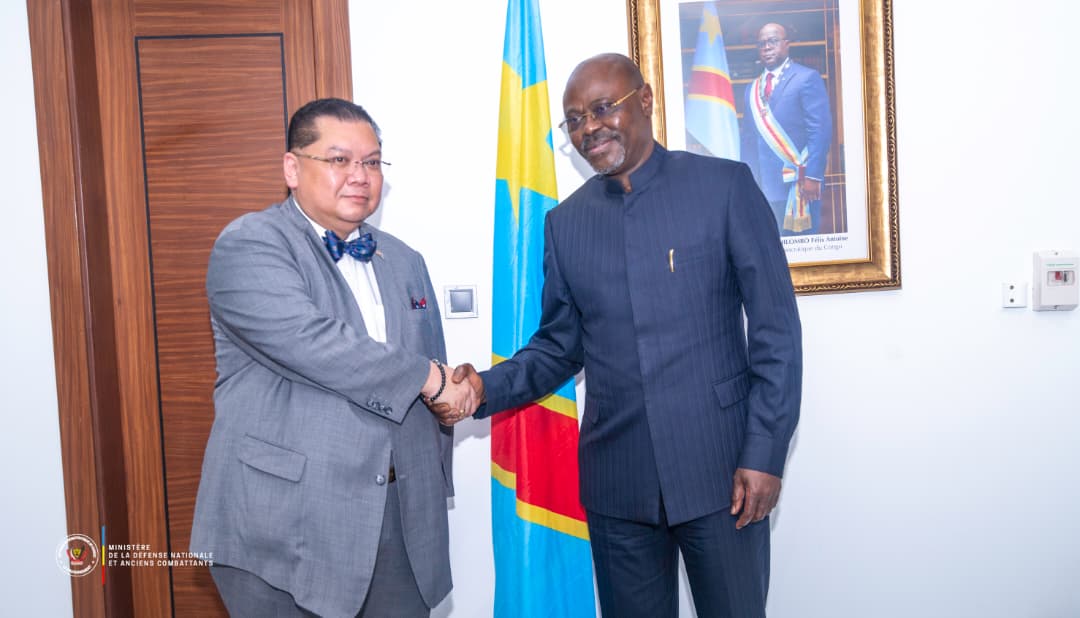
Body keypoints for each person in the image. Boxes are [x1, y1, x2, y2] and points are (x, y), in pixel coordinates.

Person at [438, 54, 802, 617]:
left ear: (645, 100)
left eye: (603, 108)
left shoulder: (723, 187)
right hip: (619, 486)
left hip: (724, 472)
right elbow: (559, 347)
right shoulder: (566, 223)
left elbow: (777, 335)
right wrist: (484, 387)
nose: (589, 127)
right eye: (575, 119)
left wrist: (765, 453)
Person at [190, 97, 474, 618]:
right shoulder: (250, 244)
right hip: (285, 524)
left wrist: (445, 417)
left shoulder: (405, 259)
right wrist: (430, 378)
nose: (359, 175)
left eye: (372, 162)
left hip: (401, 520)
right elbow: (313, 343)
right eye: (339, 159)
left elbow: (431, 365)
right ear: (292, 168)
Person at [741, 22, 833, 236]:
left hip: (800, 185)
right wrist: (747, 182)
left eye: (773, 41)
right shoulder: (751, 89)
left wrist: (813, 176)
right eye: (761, 43)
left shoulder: (807, 78)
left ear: (786, 44)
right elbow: (748, 140)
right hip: (763, 188)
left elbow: (820, 131)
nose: (767, 47)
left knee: (802, 247)